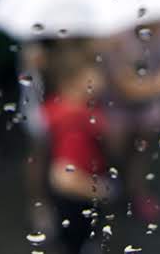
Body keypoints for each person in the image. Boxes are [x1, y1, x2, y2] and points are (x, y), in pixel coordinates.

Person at [99, 21, 160, 223]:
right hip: (114, 108)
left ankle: (135, 191)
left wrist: (142, 86)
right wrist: (158, 83)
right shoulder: (116, 37)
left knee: (142, 150)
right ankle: (113, 188)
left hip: (148, 107)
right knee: (115, 149)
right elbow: (123, 85)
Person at [41, 47, 114, 254]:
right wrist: (102, 190)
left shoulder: (65, 111)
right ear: (71, 82)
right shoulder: (74, 122)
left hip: (73, 195)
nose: (101, 77)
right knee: (78, 241)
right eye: (93, 73)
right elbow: (62, 175)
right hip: (77, 197)